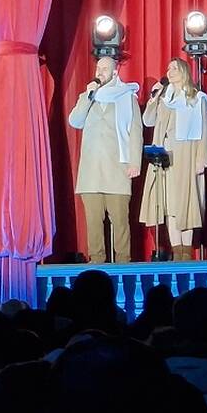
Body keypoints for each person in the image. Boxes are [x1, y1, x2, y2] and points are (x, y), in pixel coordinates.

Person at [68, 56, 143, 263]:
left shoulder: (127, 97)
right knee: (93, 221)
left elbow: (136, 132)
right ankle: (96, 259)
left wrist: (135, 162)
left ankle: (123, 261)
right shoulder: (89, 95)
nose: (100, 72)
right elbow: (75, 121)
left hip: (117, 168)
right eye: (98, 68)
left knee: (120, 221)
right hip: (91, 170)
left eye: (105, 68)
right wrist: (88, 96)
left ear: (115, 72)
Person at [140, 58, 207, 261]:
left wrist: (201, 159)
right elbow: (148, 121)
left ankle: (186, 254)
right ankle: (176, 251)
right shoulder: (164, 98)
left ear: (184, 72)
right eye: (168, 68)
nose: (169, 71)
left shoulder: (197, 99)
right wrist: (153, 99)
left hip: (186, 156)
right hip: (166, 158)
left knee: (185, 204)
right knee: (170, 205)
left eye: (174, 68)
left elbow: (204, 131)